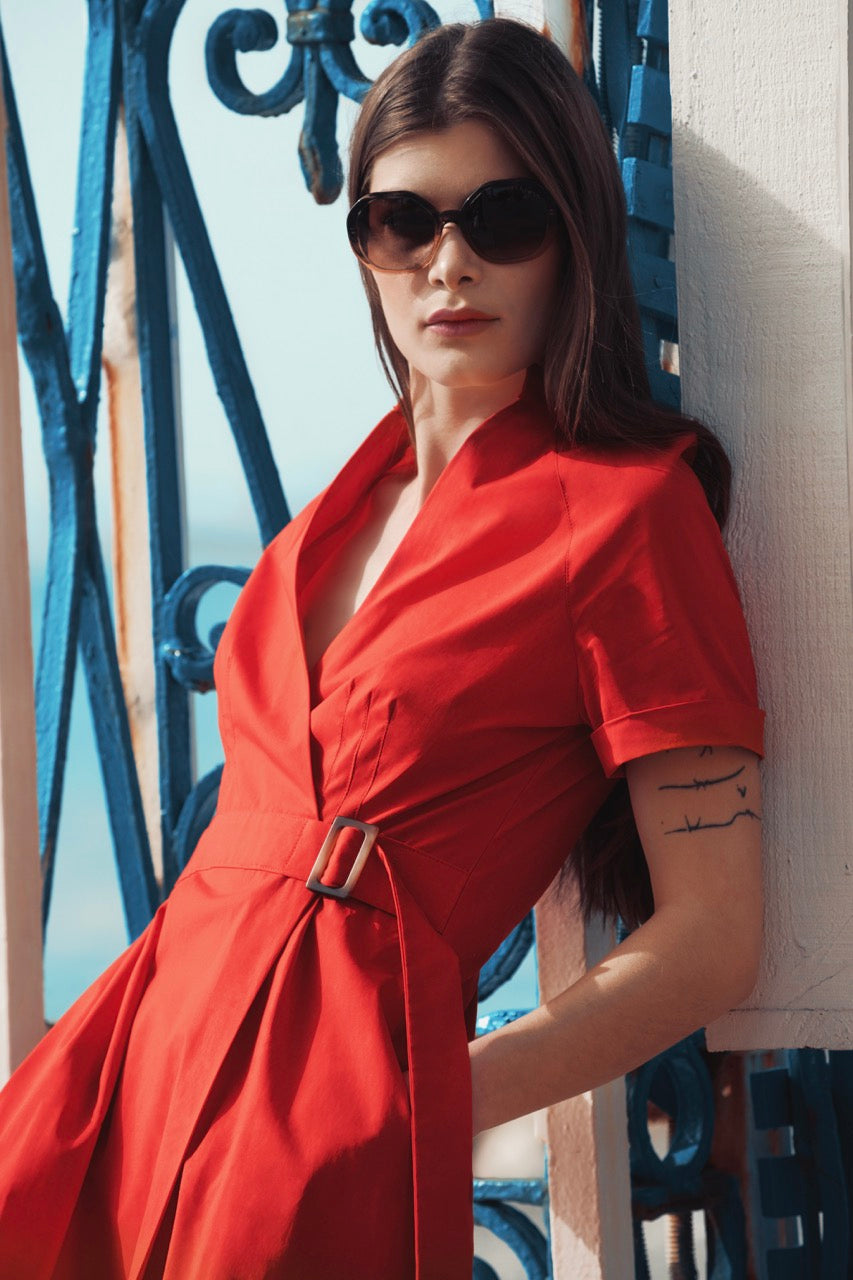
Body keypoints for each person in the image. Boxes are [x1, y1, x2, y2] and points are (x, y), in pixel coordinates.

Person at [0, 15, 765, 1280]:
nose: (447, 264)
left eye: (502, 218)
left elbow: (714, 933)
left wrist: (433, 1098)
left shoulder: (627, 515)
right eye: (403, 222)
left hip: (323, 1120)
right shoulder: (335, 515)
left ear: (572, 236)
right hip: (133, 1056)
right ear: (365, 247)